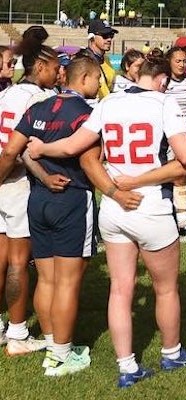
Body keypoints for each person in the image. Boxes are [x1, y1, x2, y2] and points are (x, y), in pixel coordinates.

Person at [27, 54, 186, 388]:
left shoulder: (108, 103)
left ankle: (126, 366)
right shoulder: (164, 103)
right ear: (163, 80)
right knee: (165, 288)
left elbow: (72, 147)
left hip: (114, 204)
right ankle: (171, 352)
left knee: (120, 290)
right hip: (150, 203)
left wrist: (41, 149)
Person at [0, 55, 101, 376]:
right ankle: (60, 355)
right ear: (83, 79)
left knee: (46, 278)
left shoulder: (37, 107)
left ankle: (49, 338)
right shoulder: (88, 113)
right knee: (68, 282)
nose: (99, 85)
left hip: (38, 199)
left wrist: (42, 175)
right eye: (97, 79)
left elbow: (15, 151)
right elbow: (89, 162)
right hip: (71, 197)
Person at [0, 26, 59, 357]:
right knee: (20, 262)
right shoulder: (40, 98)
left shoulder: (6, 93)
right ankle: (19, 332)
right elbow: (25, 150)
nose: (58, 72)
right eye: (53, 68)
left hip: (2, 178)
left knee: (2, 257)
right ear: (39, 67)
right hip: (19, 183)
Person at [164, 46, 186, 237]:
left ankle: (182, 221)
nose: (181, 64)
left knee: (180, 175)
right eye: (177, 61)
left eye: (184, 61)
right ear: (169, 62)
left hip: (183, 133)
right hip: (165, 133)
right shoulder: (162, 82)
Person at [85, 19, 118, 101]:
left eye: (111, 35)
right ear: (92, 37)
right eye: (105, 35)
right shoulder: (84, 61)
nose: (109, 39)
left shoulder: (106, 59)